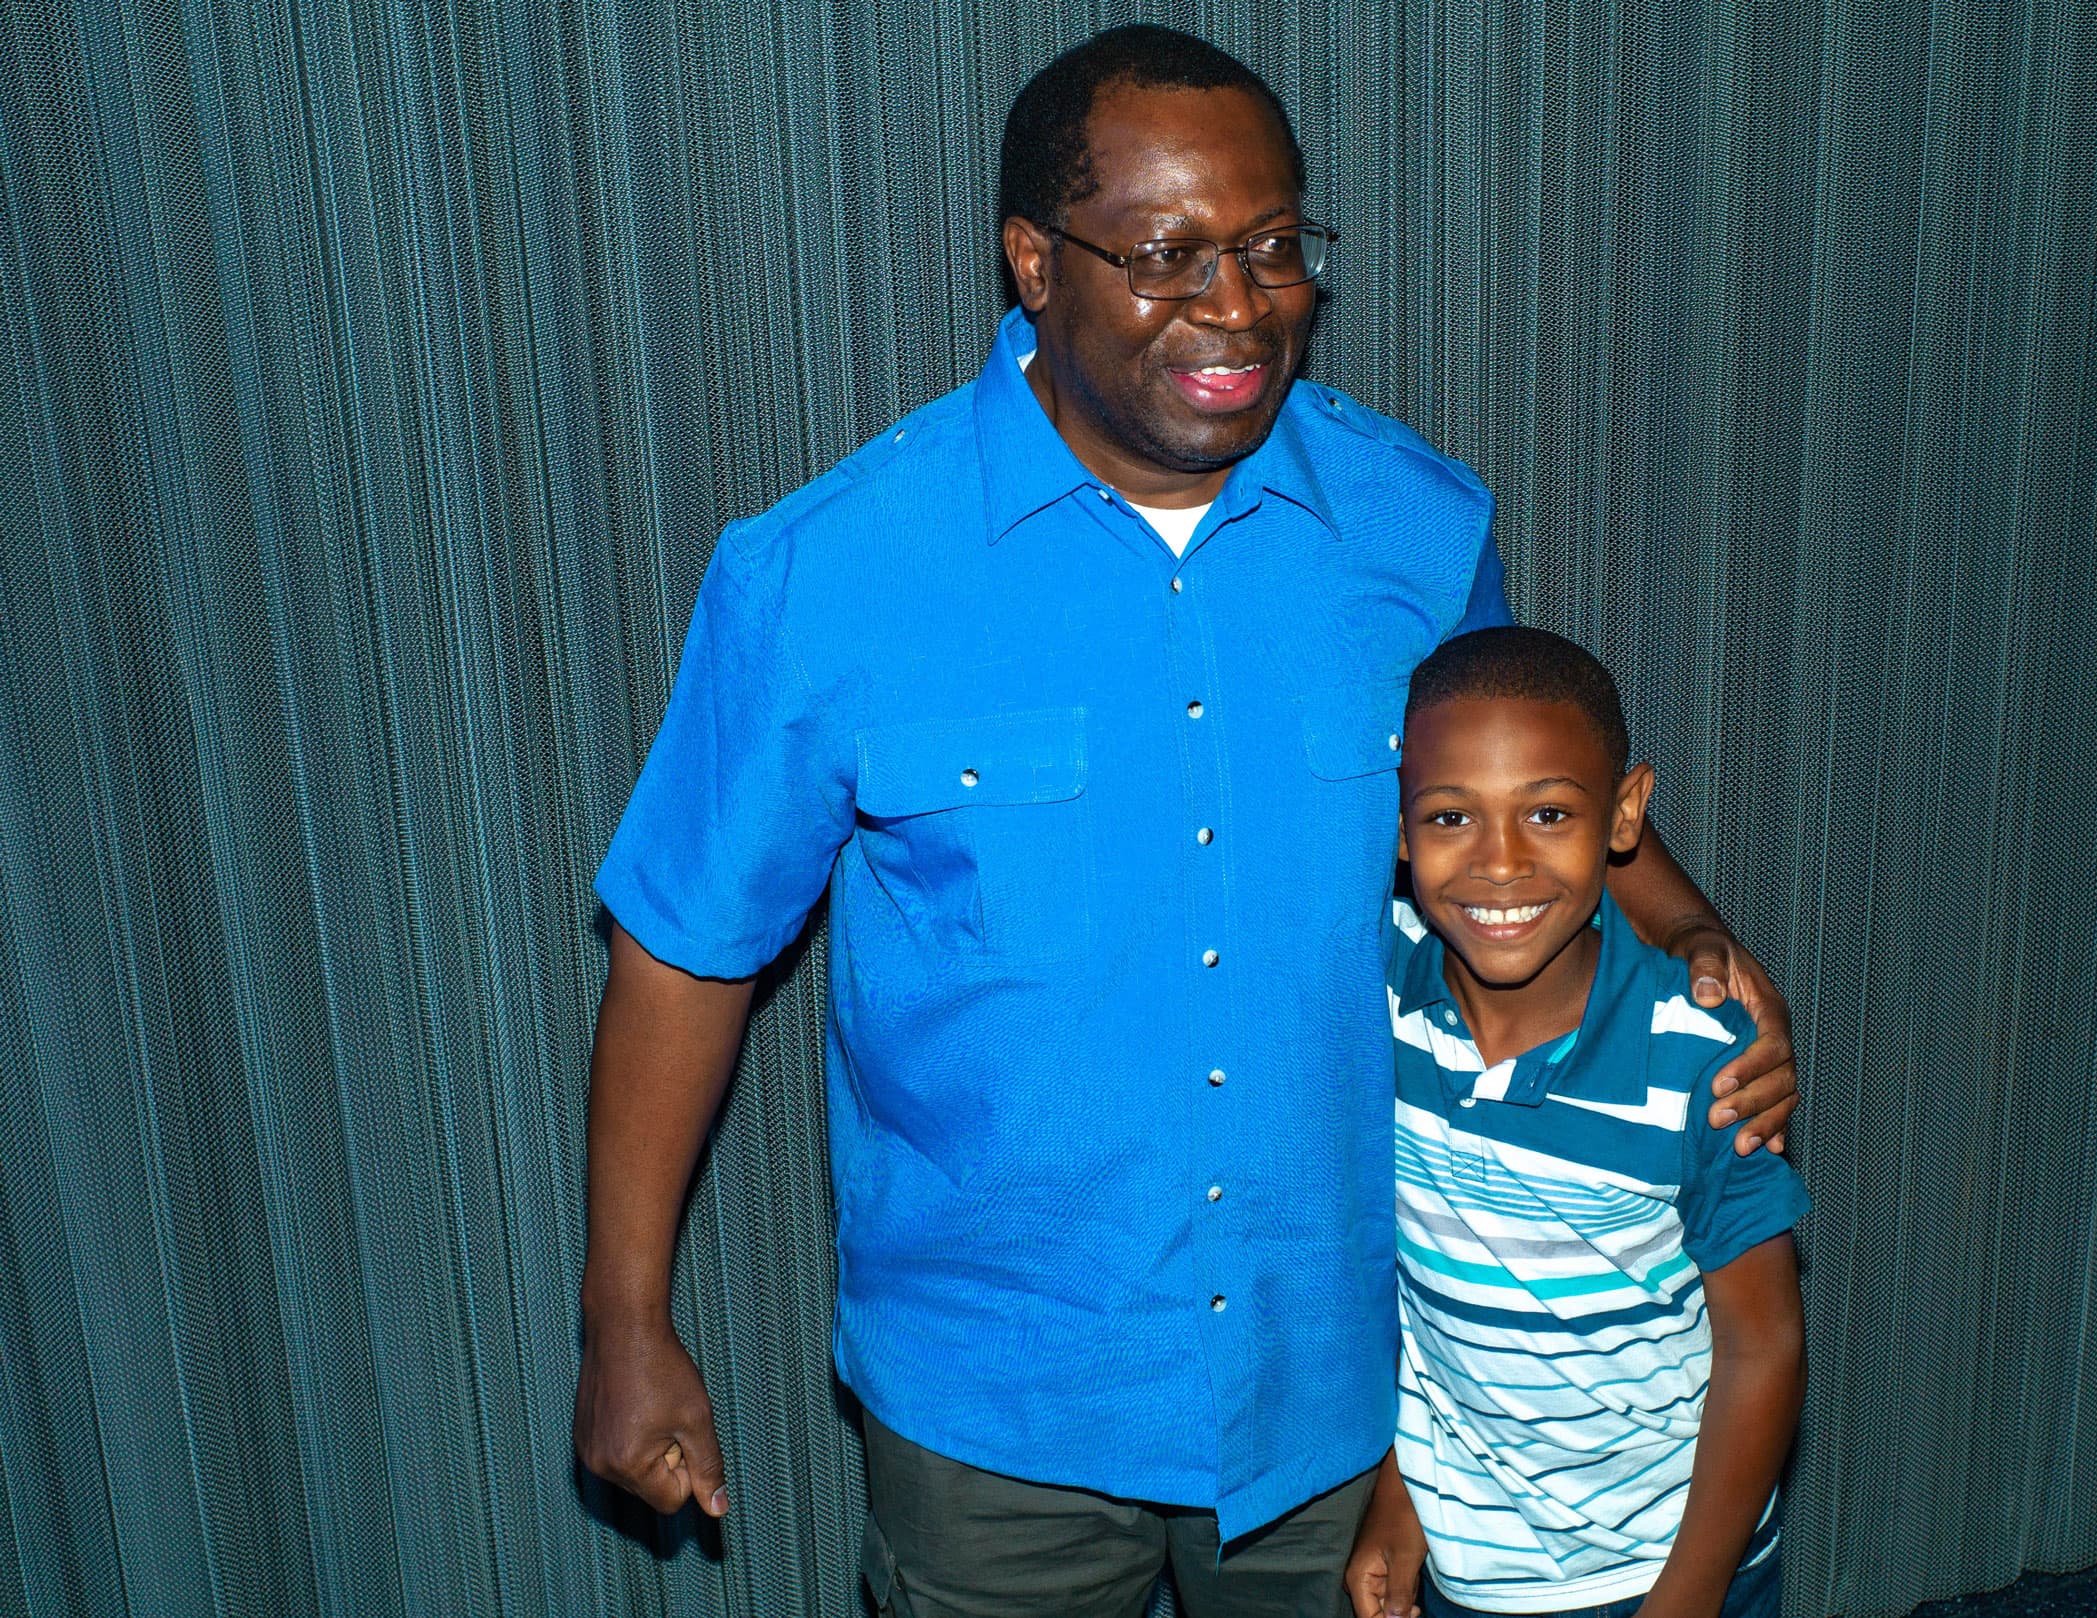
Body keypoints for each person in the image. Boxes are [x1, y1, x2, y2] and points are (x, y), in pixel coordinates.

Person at [574, 25, 1799, 1618]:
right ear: (1033, 261)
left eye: (1276, 246)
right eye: (1167, 255)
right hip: (996, 1407)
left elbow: (1517, 795)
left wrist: (1695, 931)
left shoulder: (1420, 528)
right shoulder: (825, 574)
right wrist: (627, 1320)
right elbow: (684, 953)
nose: (1238, 303)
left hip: (1346, 1384)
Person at [1342, 627, 1807, 1618]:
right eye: (1449, 816)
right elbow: (1433, 1305)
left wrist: (1687, 1597)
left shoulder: (1701, 1053)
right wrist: (1401, 1494)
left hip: (1664, 1564)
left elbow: (1763, 1346)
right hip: (1477, 1568)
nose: (1498, 865)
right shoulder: (1380, 994)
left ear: (1624, 814)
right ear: (1396, 826)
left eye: (1547, 812)